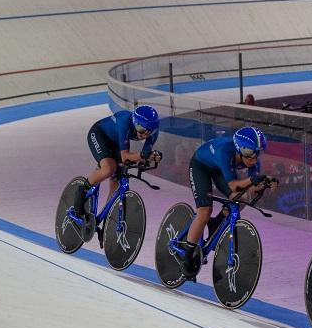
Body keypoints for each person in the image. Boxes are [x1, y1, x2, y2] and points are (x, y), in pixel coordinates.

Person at [174, 126, 276, 275]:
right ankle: (187, 255)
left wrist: (264, 184)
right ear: (239, 149)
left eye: (257, 153)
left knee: (240, 199)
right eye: (249, 153)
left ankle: (219, 221)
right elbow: (234, 185)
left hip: (219, 169)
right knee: (204, 211)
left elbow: (250, 191)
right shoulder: (225, 151)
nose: (253, 158)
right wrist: (253, 180)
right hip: (201, 166)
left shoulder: (253, 161)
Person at [77, 105, 161, 214]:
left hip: (117, 142)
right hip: (99, 134)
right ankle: (81, 191)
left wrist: (152, 156)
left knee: (117, 182)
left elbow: (144, 155)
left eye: (149, 132)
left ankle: (108, 218)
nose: (144, 135)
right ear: (134, 122)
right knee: (109, 168)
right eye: (141, 129)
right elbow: (126, 156)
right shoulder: (125, 121)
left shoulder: (153, 132)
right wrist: (144, 155)